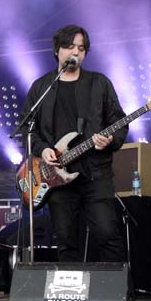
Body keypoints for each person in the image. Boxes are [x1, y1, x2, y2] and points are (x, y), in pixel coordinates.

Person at [20, 24, 127, 262]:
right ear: (57, 50)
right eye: (69, 47)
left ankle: (117, 296)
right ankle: (72, 296)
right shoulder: (42, 87)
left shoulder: (99, 83)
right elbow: (28, 130)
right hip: (57, 178)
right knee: (66, 242)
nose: (75, 52)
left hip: (95, 175)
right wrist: (43, 149)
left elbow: (119, 122)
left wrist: (108, 141)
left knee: (107, 235)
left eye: (80, 48)